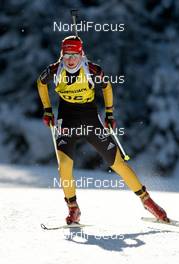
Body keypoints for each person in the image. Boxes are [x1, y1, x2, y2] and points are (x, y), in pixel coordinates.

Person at [37, 35, 168, 225]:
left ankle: (148, 201)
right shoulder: (55, 70)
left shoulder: (91, 69)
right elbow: (40, 83)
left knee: (117, 162)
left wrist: (109, 114)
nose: (71, 60)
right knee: (64, 166)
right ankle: (73, 208)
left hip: (90, 119)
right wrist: (47, 110)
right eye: (67, 56)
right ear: (62, 55)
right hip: (67, 120)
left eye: (74, 55)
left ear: (81, 54)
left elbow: (106, 87)